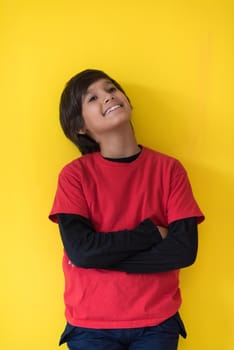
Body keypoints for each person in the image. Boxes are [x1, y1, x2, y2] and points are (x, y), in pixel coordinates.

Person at [49, 69, 205, 350]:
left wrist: (100, 259)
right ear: (80, 127)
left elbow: (183, 250)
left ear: (128, 103)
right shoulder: (74, 176)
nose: (108, 96)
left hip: (157, 322)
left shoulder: (169, 170)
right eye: (93, 97)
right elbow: (81, 251)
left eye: (111, 89)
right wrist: (150, 234)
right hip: (90, 326)